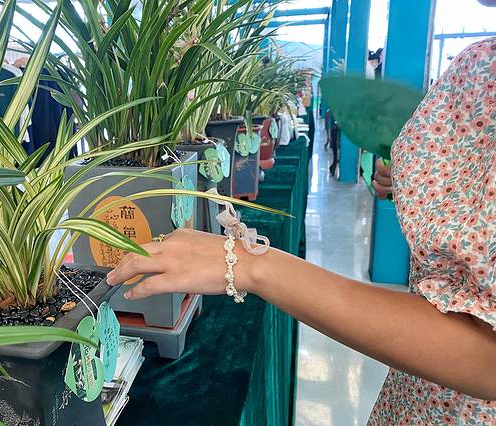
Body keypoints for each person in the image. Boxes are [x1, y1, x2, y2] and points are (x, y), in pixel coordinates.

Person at [108, 3, 496, 424]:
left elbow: (486, 356)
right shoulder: (479, 63)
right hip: (416, 394)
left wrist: (251, 264)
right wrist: (413, 178)